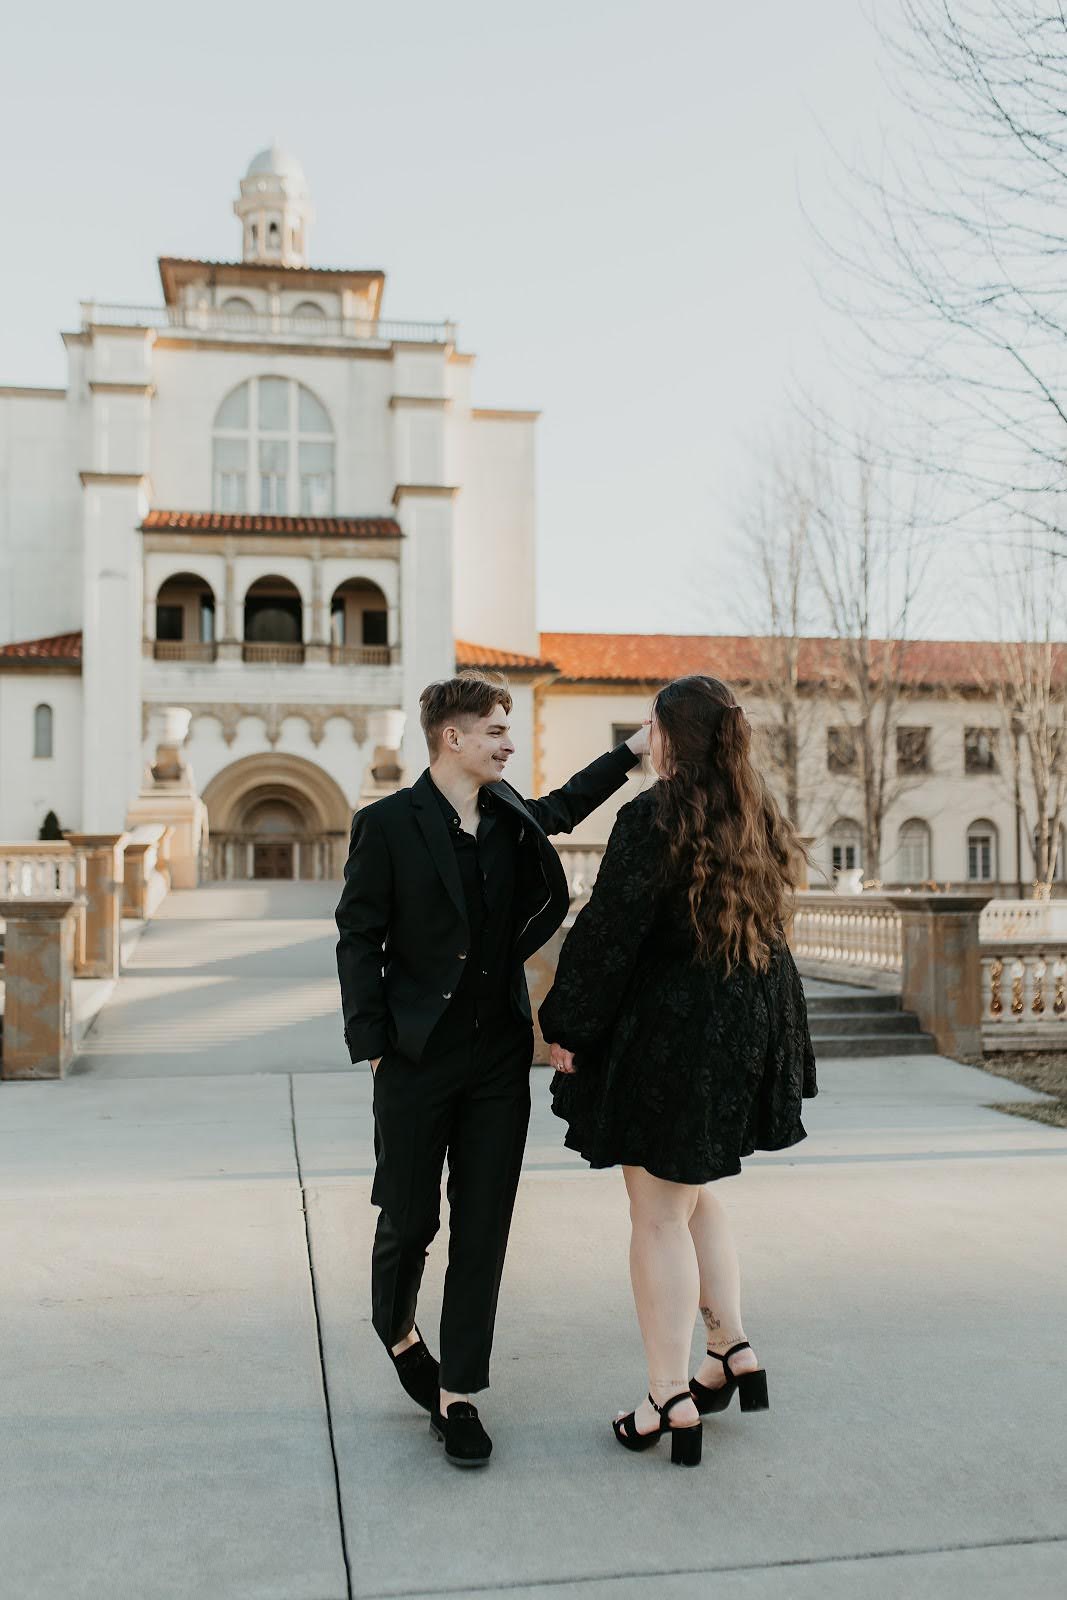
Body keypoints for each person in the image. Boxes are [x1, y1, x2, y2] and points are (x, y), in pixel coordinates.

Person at [335, 670, 646, 1468]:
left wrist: (633, 754)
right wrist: (371, 1043)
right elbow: (356, 936)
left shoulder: (511, 820)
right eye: (498, 731)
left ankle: (458, 1390)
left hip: (500, 1056)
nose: (509, 743)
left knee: (483, 1224)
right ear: (453, 737)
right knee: (409, 1218)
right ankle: (398, 1330)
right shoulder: (388, 825)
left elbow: (563, 807)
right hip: (412, 1056)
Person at [539, 674, 816, 1469]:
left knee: (656, 1213)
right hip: (743, 1027)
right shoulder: (754, 813)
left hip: (675, 1033)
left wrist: (567, 1025)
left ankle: (665, 1394)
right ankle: (728, 1347)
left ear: (671, 735)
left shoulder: (653, 816)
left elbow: (606, 932)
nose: (646, 739)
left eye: (651, 727)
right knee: (693, 1194)